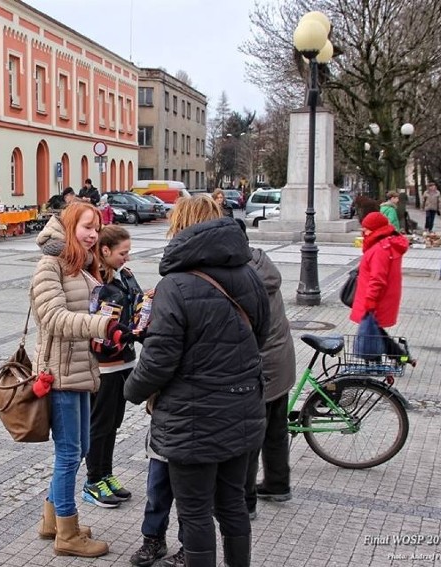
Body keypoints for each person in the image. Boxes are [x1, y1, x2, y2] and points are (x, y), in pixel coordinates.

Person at [124, 194, 269, 567]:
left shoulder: (176, 284)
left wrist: (131, 390)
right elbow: (260, 339)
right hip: (242, 409)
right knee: (233, 505)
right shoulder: (249, 274)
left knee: (196, 513)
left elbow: (159, 360)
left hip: (192, 420)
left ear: (181, 228)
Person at [32, 202, 135, 558]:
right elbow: (53, 317)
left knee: (80, 448)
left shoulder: (79, 264)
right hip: (59, 373)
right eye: (87, 227)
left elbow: (89, 307)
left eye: (97, 227)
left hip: (81, 369)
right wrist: (100, 326)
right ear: (70, 224)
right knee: (69, 453)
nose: (93, 234)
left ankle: (52, 519)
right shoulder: (50, 265)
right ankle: (68, 532)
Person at [82, 225, 142, 509]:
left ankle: (106, 473)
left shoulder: (125, 276)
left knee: (114, 423)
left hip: (126, 360)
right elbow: (94, 326)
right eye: (123, 253)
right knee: (100, 424)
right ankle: (93, 481)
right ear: (105, 251)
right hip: (104, 366)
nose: (126, 258)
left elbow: (136, 303)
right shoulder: (95, 283)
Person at [245, 247, 296, 517]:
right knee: (276, 427)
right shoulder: (262, 263)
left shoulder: (244, 279)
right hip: (282, 359)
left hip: (263, 364)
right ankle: (278, 484)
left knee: (250, 434)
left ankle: (245, 501)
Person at [350, 212, 410, 352]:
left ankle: (391, 358)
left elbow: (377, 278)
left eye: (366, 228)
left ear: (376, 229)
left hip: (375, 298)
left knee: (370, 332)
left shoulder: (380, 249)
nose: (363, 230)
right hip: (378, 296)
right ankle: (399, 357)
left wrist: (370, 300)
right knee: (373, 330)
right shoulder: (384, 244)